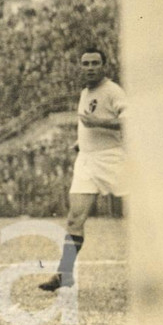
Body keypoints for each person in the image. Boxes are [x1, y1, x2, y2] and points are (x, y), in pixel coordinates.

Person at [40, 47, 127, 291]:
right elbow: (89, 124)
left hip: (112, 160)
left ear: (103, 66)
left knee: (145, 212)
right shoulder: (85, 92)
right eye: (85, 63)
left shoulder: (113, 91)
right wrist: (81, 142)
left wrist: (98, 123)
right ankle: (64, 274)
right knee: (74, 218)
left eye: (94, 63)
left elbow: (130, 120)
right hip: (87, 162)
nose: (89, 68)